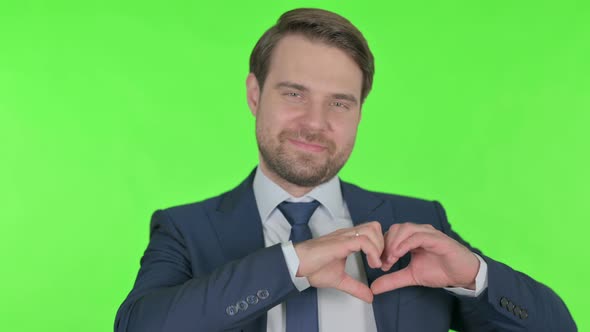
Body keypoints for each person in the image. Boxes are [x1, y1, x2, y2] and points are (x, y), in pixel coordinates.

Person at [114, 8, 576, 332]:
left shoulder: (418, 222)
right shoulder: (185, 229)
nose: (315, 123)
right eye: (294, 94)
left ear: (359, 112)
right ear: (255, 95)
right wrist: (291, 264)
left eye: (339, 102)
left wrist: (476, 276)